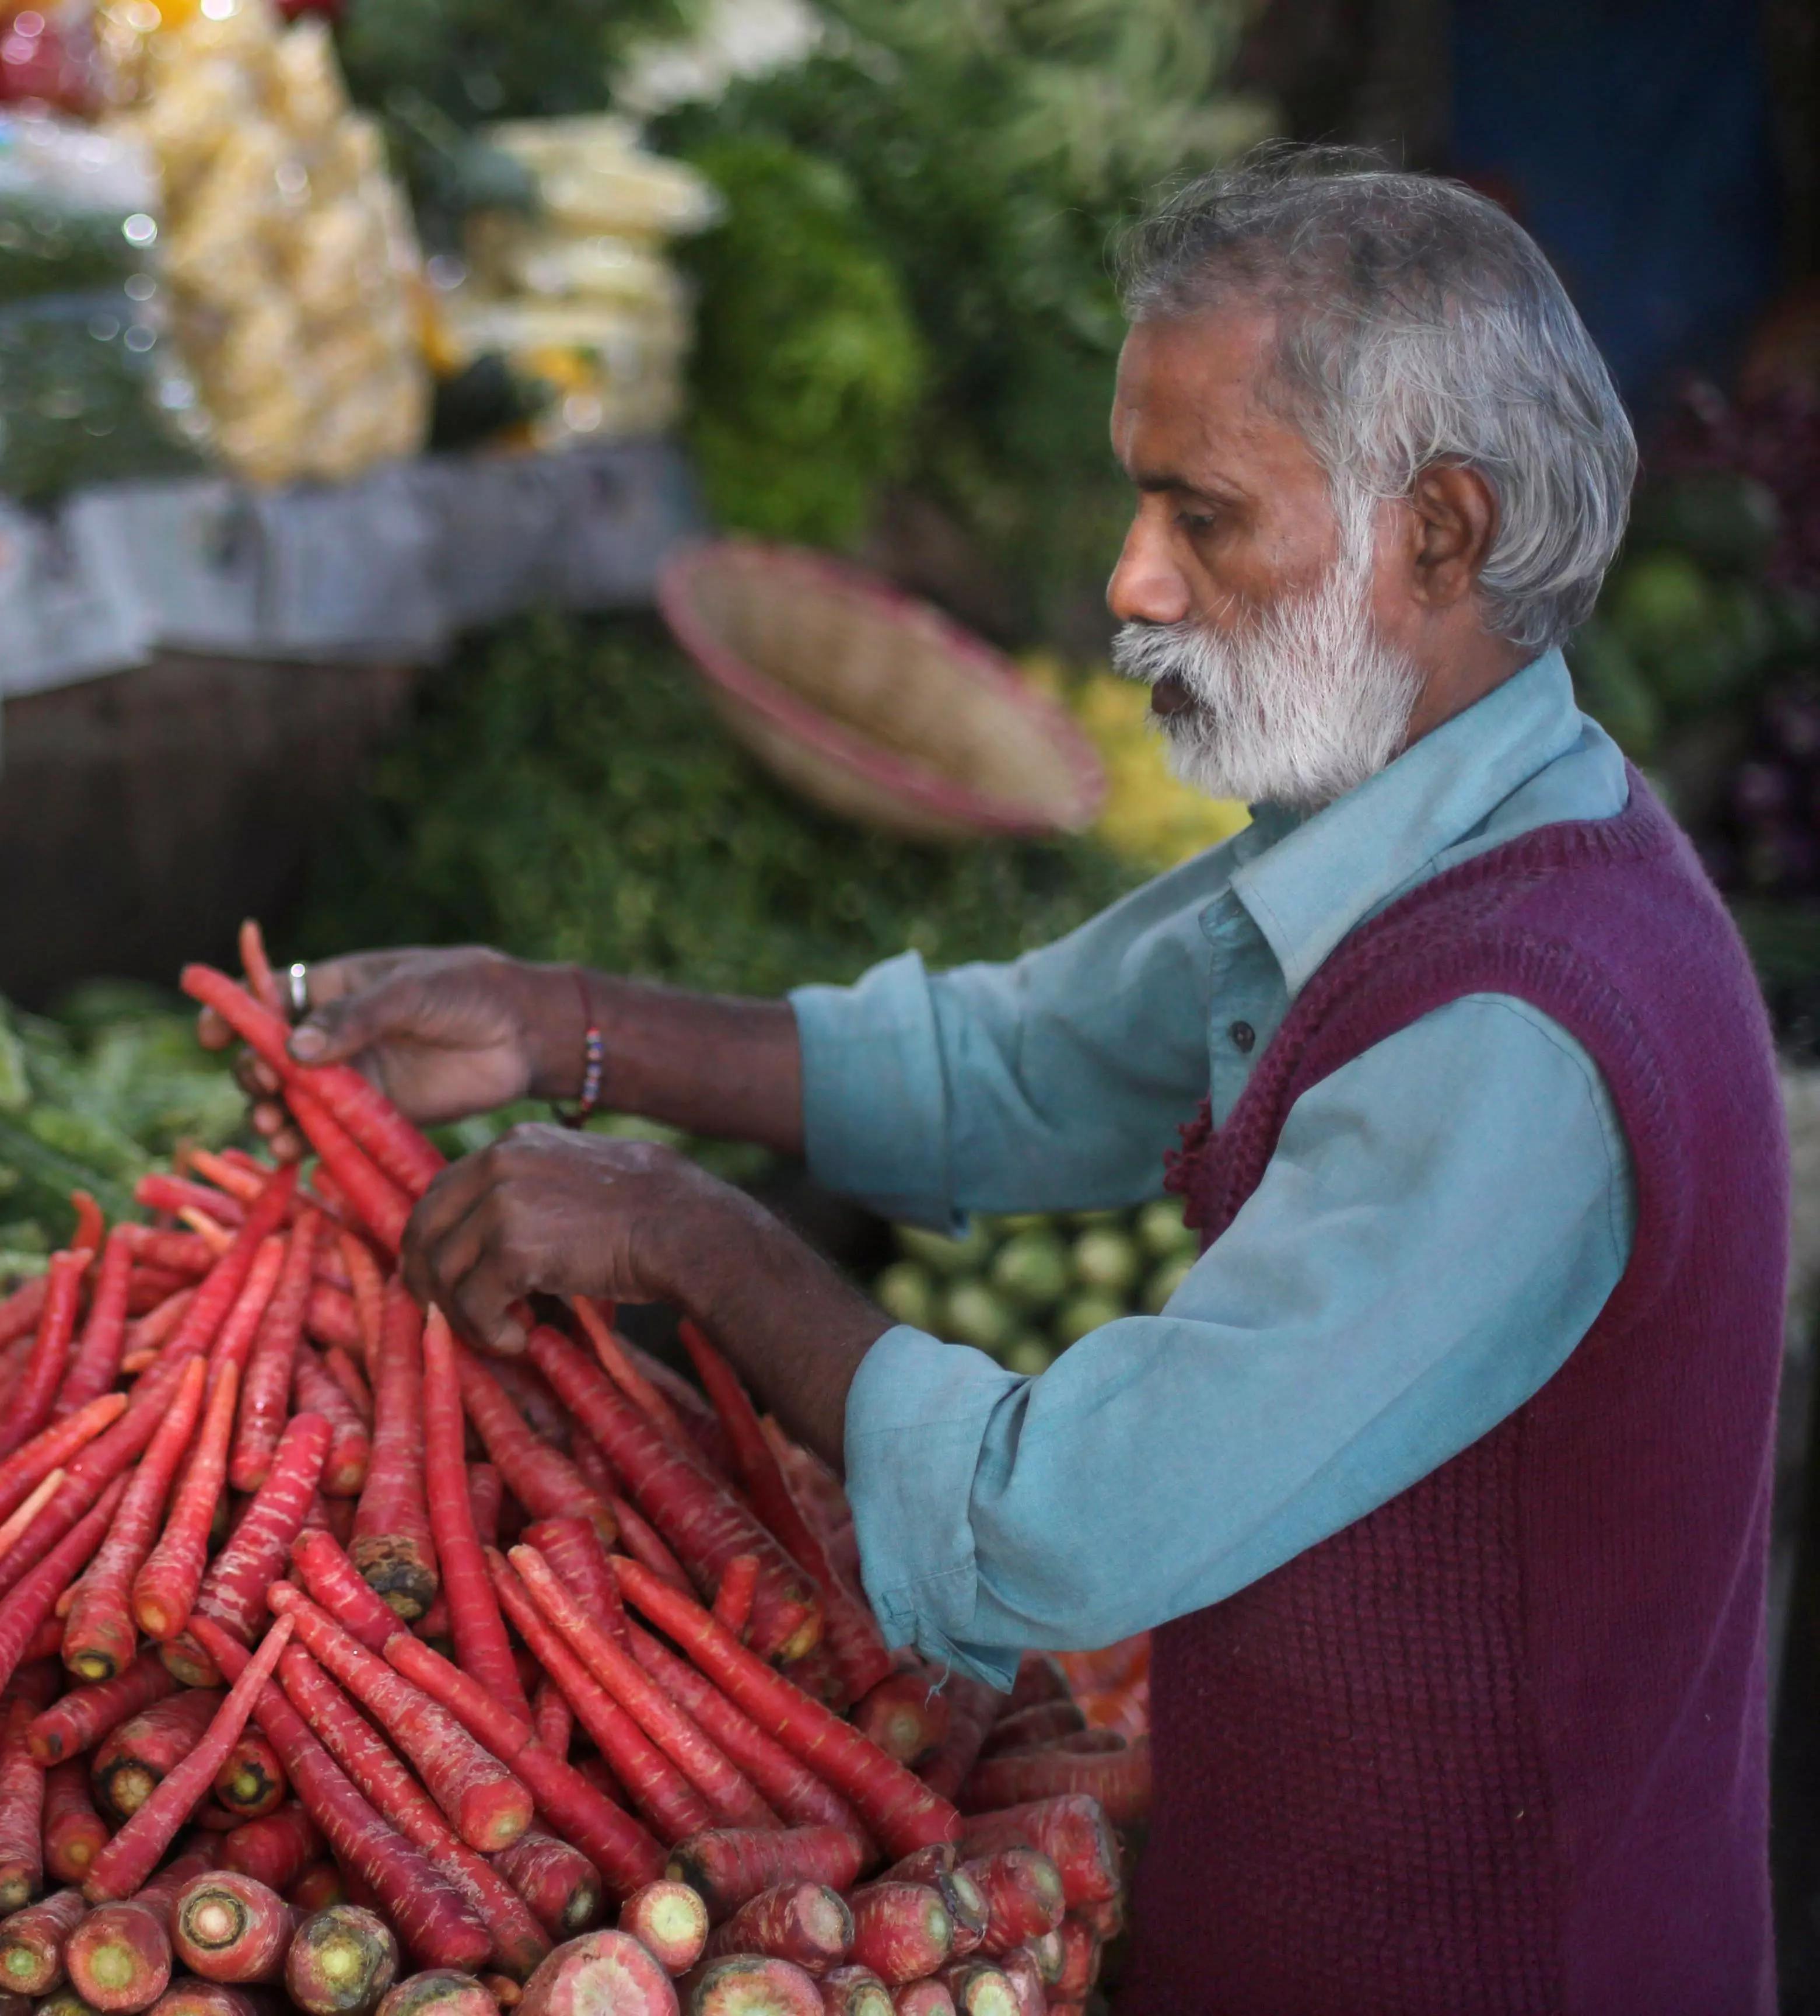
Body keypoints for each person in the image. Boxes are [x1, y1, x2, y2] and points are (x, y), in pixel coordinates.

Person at [229, 152, 1782, 2009]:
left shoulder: (1515, 1025)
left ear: (1438, 534)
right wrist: (565, 1024)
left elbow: (1065, 1530)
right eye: (1142, 499)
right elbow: (1018, 1062)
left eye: (1202, 516)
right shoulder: (1413, 833)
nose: (1131, 580)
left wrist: (690, 1235)